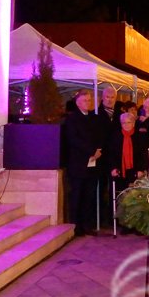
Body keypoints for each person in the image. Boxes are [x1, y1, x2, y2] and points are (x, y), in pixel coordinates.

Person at [62, 89, 102, 233]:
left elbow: (99, 136)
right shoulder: (72, 119)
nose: (88, 103)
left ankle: (86, 225)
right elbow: (74, 140)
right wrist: (91, 151)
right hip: (78, 163)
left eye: (89, 100)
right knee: (77, 194)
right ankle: (76, 226)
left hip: (93, 162)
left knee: (89, 195)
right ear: (78, 103)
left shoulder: (93, 118)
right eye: (85, 100)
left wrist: (98, 150)